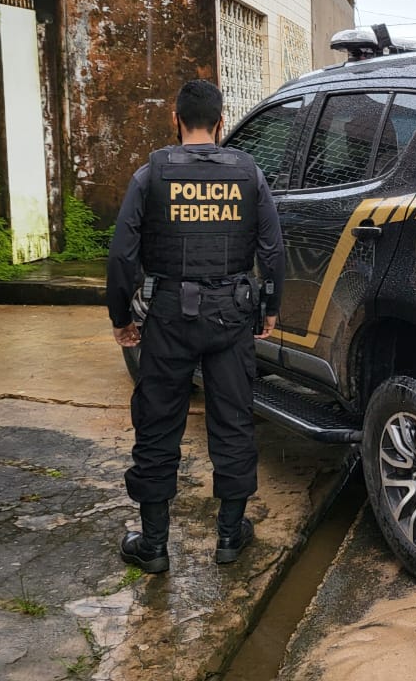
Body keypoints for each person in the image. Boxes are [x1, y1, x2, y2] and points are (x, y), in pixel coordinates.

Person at [106, 80, 284, 574]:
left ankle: (156, 546)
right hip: (231, 316)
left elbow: (122, 254)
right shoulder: (249, 173)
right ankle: (229, 537)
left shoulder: (152, 174)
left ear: (175, 118)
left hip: (167, 318)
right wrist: (269, 306)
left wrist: (121, 318)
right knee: (232, 421)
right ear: (222, 122)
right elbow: (272, 249)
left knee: (158, 423)